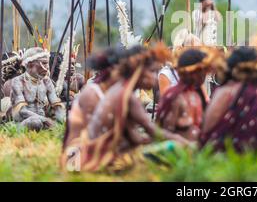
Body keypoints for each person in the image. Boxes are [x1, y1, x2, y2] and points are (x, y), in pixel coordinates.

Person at [62, 44, 188, 172]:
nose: (155, 77)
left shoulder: (122, 91)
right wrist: (183, 142)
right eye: (152, 71)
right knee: (173, 146)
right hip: (80, 160)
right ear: (137, 70)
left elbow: (133, 136)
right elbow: (152, 131)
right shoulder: (112, 94)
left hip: (93, 157)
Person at [62, 46, 129, 155]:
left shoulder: (116, 91)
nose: (127, 75)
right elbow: (93, 133)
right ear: (112, 70)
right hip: (77, 157)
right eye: (123, 70)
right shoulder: (91, 93)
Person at [156, 47, 222, 141]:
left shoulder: (197, 94)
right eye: (202, 72)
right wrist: (184, 144)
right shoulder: (174, 97)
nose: (204, 76)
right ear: (192, 73)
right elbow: (162, 133)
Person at [10, 47, 65, 131]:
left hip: (44, 120)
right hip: (24, 122)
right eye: (44, 63)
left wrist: (63, 120)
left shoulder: (46, 81)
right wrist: (45, 120)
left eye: (47, 63)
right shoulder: (17, 81)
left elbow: (56, 105)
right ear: (30, 64)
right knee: (36, 122)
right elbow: (22, 111)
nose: (47, 68)